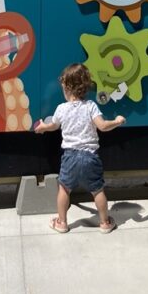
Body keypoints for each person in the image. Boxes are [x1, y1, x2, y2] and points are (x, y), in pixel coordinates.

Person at [34, 63, 126, 234]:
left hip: (69, 157)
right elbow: (103, 126)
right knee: (97, 190)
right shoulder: (90, 106)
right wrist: (117, 121)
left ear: (67, 87)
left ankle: (61, 222)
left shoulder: (61, 108)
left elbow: (53, 125)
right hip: (90, 156)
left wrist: (42, 127)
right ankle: (105, 223)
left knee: (64, 188)